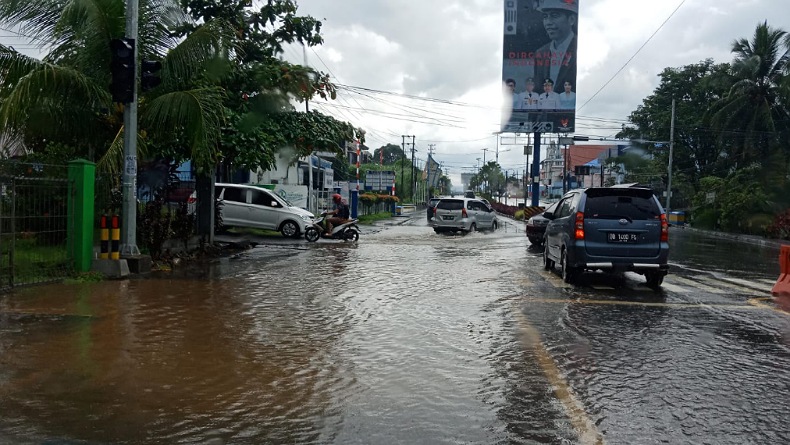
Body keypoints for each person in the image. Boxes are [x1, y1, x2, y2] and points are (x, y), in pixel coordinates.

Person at [532, 0, 578, 95]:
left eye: (554, 16)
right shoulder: (540, 53)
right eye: (545, 17)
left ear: (571, 20)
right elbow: (538, 90)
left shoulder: (582, 47)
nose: (548, 22)